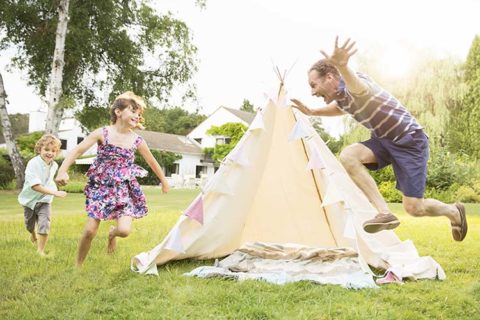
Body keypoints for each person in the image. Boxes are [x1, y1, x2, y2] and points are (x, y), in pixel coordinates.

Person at [291, 36, 467, 241]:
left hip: (410, 141)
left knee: (414, 208)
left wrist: (343, 66)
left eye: (313, 85)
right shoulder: (342, 99)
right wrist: (312, 112)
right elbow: (339, 108)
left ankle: (454, 212)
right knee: (349, 155)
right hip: (384, 140)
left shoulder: (355, 84)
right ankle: (384, 212)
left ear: (330, 77)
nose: (312, 91)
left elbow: (359, 90)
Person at [55, 91, 170, 266]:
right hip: (101, 186)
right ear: (118, 112)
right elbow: (77, 150)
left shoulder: (137, 140)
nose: (137, 116)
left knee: (124, 230)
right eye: (133, 111)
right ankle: (77, 266)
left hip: (124, 188)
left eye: (139, 114)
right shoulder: (103, 133)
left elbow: (152, 161)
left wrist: (164, 181)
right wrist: (62, 170)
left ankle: (112, 234)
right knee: (90, 230)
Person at [18, 134, 67, 256]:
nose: (50, 153)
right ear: (39, 149)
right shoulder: (32, 164)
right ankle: (32, 234)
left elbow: (50, 179)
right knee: (29, 225)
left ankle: (40, 251)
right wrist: (55, 192)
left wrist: (64, 178)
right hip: (30, 200)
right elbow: (35, 186)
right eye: (46, 149)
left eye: (53, 150)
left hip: (45, 200)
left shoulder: (54, 165)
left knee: (44, 224)